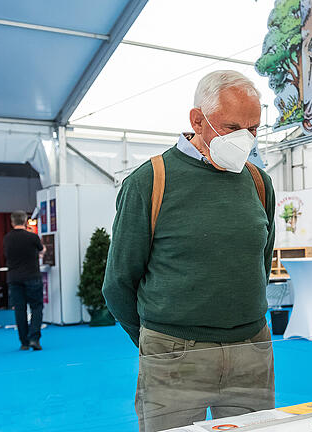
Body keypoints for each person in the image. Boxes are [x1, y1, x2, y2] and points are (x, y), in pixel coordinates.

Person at [102, 70, 276, 432]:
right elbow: (118, 282)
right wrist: (157, 340)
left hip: (252, 351)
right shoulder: (149, 181)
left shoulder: (259, 183)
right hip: (174, 355)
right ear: (197, 120)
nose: (245, 140)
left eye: (254, 129)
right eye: (232, 128)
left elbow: (258, 262)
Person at [3, 210, 45, 351]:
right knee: (36, 307)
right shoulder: (32, 237)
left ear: (12, 221)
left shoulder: (7, 238)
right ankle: (34, 338)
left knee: (19, 310)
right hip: (32, 276)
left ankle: (24, 342)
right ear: (26, 221)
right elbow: (42, 250)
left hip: (14, 278)